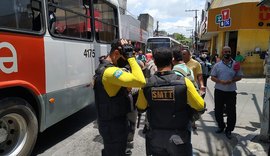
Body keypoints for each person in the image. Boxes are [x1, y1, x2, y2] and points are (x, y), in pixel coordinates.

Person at [136, 47, 205, 156]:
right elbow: (200, 106)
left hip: (156, 137)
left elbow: (140, 107)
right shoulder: (184, 83)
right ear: (172, 60)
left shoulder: (146, 85)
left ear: (154, 61)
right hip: (179, 136)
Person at [93, 39, 146, 156]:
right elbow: (141, 81)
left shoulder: (106, 68)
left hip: (113, 123)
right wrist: (131, 58)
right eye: (125, 56)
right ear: (116, 53)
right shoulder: (110, 72)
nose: (126, 61)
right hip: (113, 127)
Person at [210, 46, 243, 139]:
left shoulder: (236, 64)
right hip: (219, 91)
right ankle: (221, 126)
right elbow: (212, 77)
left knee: (231, 112)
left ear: (231, 52)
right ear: (222, 52)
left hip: (231, 92)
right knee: (218, 110)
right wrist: (221, 81)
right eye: (225, 52)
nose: (227, 53)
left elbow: (240, 76)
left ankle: (229, 129)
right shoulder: (217, 65)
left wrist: (231, 80)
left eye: (228, 51)